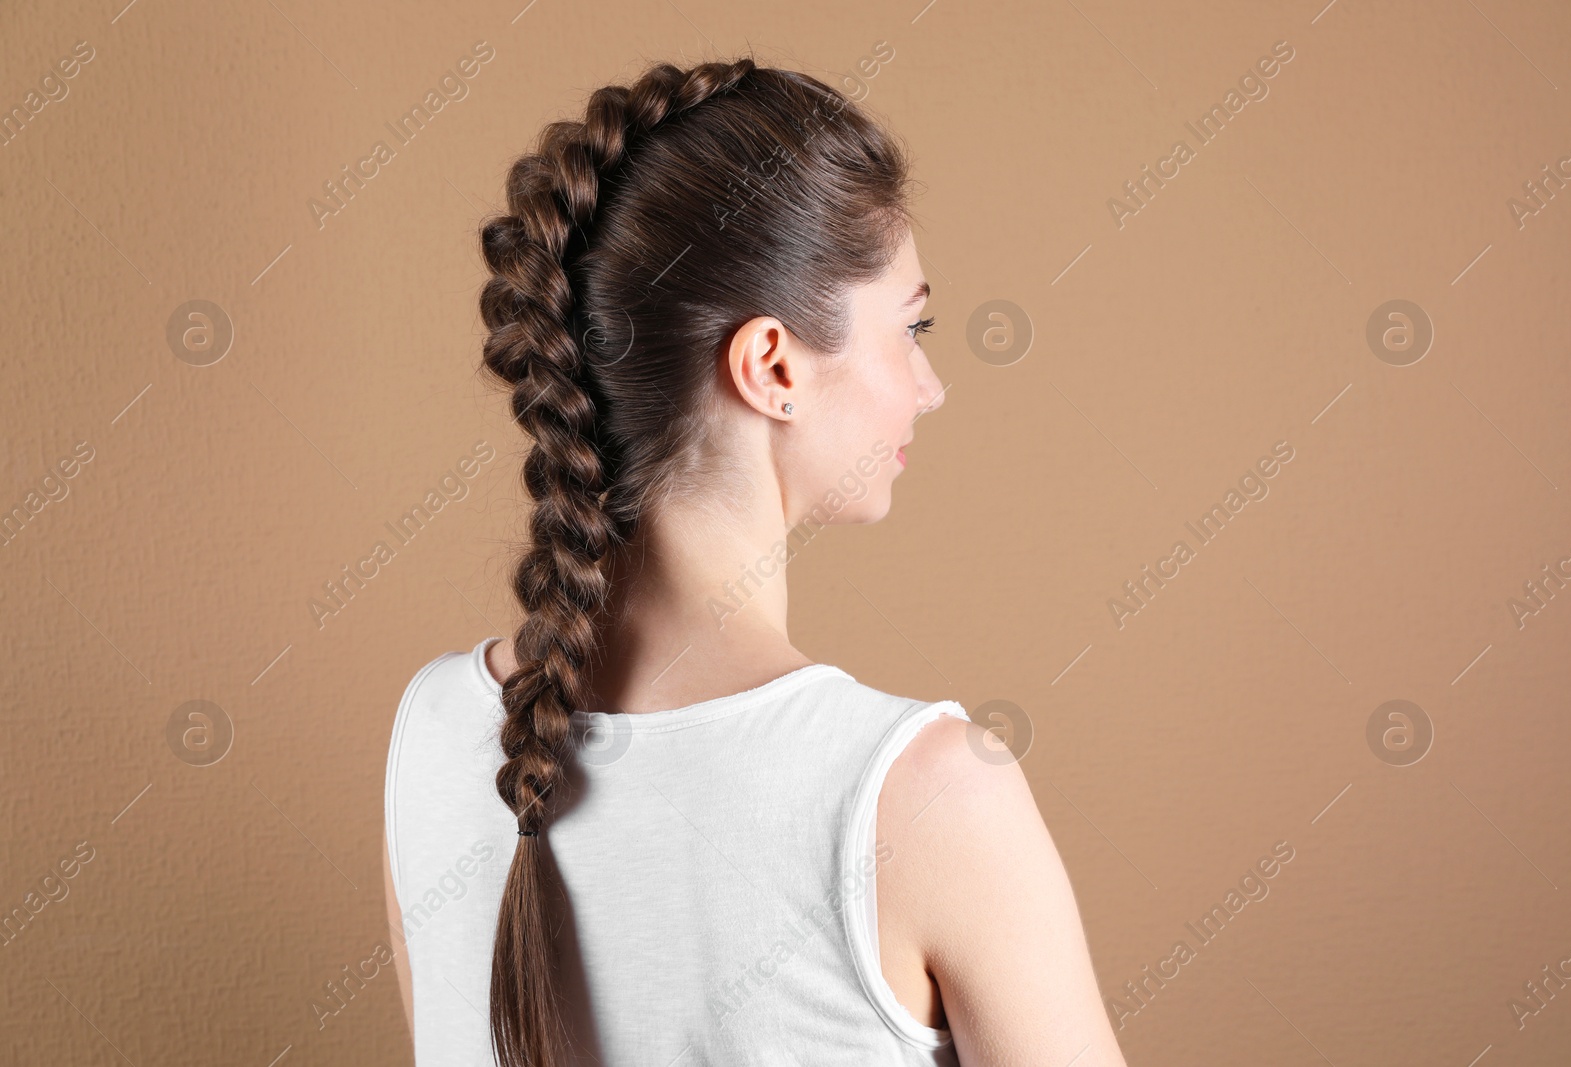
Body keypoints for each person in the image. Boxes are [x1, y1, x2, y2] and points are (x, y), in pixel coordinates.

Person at [383, 55, 1128, 1067]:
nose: (930, 385)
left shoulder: (436, 729)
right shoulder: (928, 798)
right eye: (909, 329)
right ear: (772, 365)